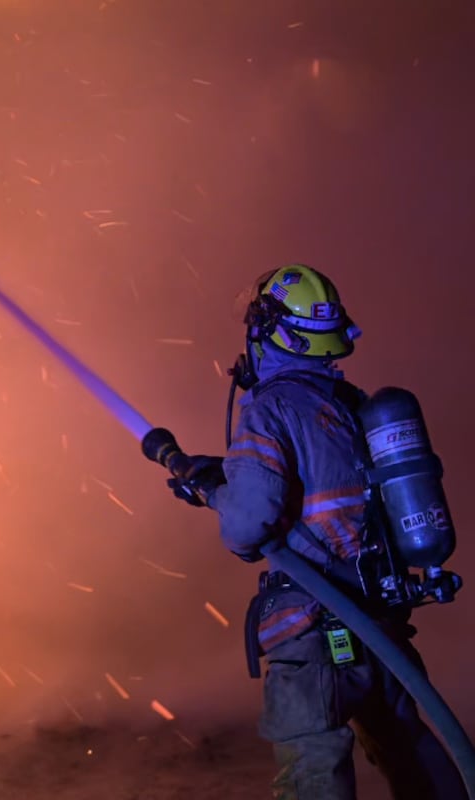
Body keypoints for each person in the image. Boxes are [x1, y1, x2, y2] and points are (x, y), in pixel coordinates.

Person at [171, 264, 465, 800]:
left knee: (312, 771)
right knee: (413, 756)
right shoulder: (353, 405)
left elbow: (247, 526)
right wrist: (227, 473)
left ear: (267, 329)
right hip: (379, 627)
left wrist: (213, 491)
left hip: (313, 635)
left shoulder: (270, 407)